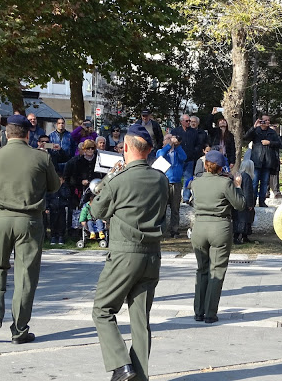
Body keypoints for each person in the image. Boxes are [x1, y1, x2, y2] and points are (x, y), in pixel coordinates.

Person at [91, 124, 169, 381]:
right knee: (140, 320)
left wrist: (109, 177)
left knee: (103, 309)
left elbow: (97, 211)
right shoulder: (161, 179)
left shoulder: (119, 179)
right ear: (148, 150)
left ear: (125, 148)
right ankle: (140, 376)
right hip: (152, 254)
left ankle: (121, 365)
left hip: (125, 253)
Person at [0, 115, 60, 343]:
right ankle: (19, 329)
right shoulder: (41, 157)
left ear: (6, 133)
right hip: (29, 221)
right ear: (27, 134)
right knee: (25, 274)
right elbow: (54, 186)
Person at [190, 150, 245, 324]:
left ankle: (198, 311)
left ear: (205, 165)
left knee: (202, 270)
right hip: (219, 226)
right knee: (217, 271)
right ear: (221, 167)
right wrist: (237, 186)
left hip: (199, 226)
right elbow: (240, 204)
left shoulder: (196, 182)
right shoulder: (225, 184)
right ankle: (210, 313)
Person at [243, 115, 282, 207]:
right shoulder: (256, 131)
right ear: (260, 121)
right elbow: (246, 137)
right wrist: (254, 127)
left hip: (267, 162)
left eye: (268, 120)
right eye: (265, 120)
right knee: (255, 182)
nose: (267, 122)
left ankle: (262, 201)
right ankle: (252, 202)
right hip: (257, 161)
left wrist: (270, 143)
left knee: (264, 183)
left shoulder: (272, 132)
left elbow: (280, 144)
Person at [156, 133, 187, 238]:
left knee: (175, 208)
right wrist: (169, 145)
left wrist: (177, 146)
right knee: (162, 208)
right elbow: (160, 156)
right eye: (168, 139)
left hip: (176, 182)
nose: (171, 140)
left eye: (171, 138)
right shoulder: (161, 151)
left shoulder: (177, 152)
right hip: (165, 182)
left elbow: (184, 157)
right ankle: (161, 229)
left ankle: (174, 230)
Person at [172, 114, 202, 203]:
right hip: (178, 159)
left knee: (188, 178)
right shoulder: (175, 131)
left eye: (190, 121)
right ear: (181, 121)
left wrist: (194, 151)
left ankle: (185, 198)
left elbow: (199, 144)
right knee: (176, 178)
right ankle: (175, 197)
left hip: (190, 159)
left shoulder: (194, 132)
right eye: (187, 121)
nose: (189, 122)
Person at [45, 171, 71, 245]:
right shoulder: (51, 188)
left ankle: (61, 236)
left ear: (63, 180)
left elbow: (67, 195)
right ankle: (53, 236)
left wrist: (61, 189)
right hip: (53, 208)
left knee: (62, 223)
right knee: (53, 223)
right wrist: (47, 207)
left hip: (62, 208)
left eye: (60, 180)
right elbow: (47, 198)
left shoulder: (65, 187)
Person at [232, 159, 255, 244]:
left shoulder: (239, 175)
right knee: (244, 220)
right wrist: (250, 204)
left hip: (237, 200)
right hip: (244, 202)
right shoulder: (247, 177)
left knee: (238, 219)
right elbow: (247, 191)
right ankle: (239, 237)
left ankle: (243, 237)